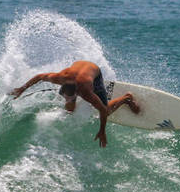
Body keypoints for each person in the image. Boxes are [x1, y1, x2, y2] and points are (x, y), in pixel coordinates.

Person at [11, 60, 140, 147]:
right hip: (78, 69)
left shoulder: (86, 92)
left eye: (70, 97)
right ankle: (71, 104)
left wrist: (102, 131)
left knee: (106, 110)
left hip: (93, 74)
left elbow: (102, 111)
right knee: (70, 108)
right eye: (66, 97)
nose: (67, 99)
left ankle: (126, 98)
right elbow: (39, 76)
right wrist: (22, 89)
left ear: (77, 93)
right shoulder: (59, 77)